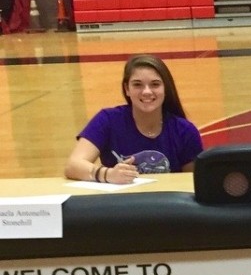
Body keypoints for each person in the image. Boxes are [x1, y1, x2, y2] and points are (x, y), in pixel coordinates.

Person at [65, 54, 203, 184]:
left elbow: (193, 183)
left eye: (155, 84)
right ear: (127, 89)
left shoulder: (185, 131)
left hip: (168, 207)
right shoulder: (107, 120)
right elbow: (73, 165)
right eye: (137, 84)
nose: (147, 91)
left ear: (165, 88)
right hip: (121, 206)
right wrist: (108, 174)